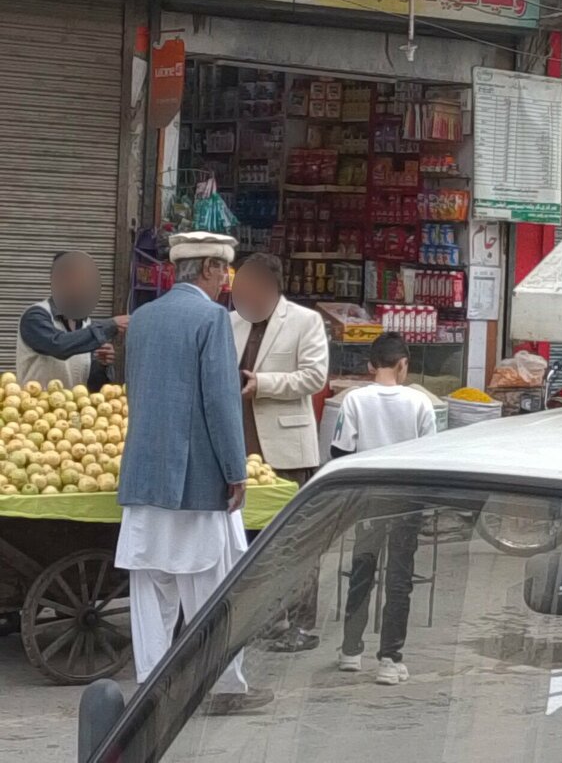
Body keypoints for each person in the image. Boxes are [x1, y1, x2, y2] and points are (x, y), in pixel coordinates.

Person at [116, 231, 272, 714]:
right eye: (224, 270)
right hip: (194, 480)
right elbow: (221, 402)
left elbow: (134, 388)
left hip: (143, 476)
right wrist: (235, 468)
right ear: (208, 269)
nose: (227, 280)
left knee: (150, 590)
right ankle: (222, 685)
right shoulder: (210, 319)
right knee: (210, 589)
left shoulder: (142, 318)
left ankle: (150, 686)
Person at [230, 252, 329, 653]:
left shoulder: (305, 321)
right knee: (251, 539)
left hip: (286, 450)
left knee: (295, 539)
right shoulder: (230, 321)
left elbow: (314, 376)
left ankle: (299, 624)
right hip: (239, 448)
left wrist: (263, 384)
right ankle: (265, 618)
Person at [331, 332, 436, 686]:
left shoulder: (354, 401)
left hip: (368, 499)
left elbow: (340, 453)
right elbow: (431, 457)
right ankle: (389, 659)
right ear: (403, 364)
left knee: (363, 570)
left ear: (370, 365)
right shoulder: (420, 403)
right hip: (406, 499)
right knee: (399, 579)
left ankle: (350, 650)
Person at [16, 251, 129, 392]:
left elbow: (92, 385)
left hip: (74, 411)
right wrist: (111, 325)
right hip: (36, 410)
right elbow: (58, 345)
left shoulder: (87, 326)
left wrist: (102, 364)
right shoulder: (35, 316)